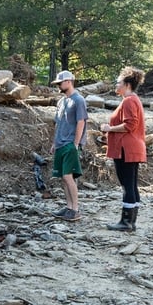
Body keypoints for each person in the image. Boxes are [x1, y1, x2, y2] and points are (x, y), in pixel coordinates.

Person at [100, 66, 146, 231]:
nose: (116, 85)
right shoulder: (134, 99)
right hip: (133, 147)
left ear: (127, 85)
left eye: (118, 82)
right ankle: (131, 221)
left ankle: (126, 222)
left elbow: (130, 124)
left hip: (126, 148)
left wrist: (109, 129)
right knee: (131, 184)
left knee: (127, 184)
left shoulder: (128, 101)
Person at [49, 70, 88, 221]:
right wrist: (54, 142)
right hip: (60, 144)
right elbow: (58, 123)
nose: (58, 86)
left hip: (70, 144)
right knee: (63, 177)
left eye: (60, 83)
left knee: (68, 176)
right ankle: (69, 207)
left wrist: (76, 143)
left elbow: (81, 122)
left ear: (69, 82)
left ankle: (75, 209)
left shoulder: (78, 100)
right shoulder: (62, 101)